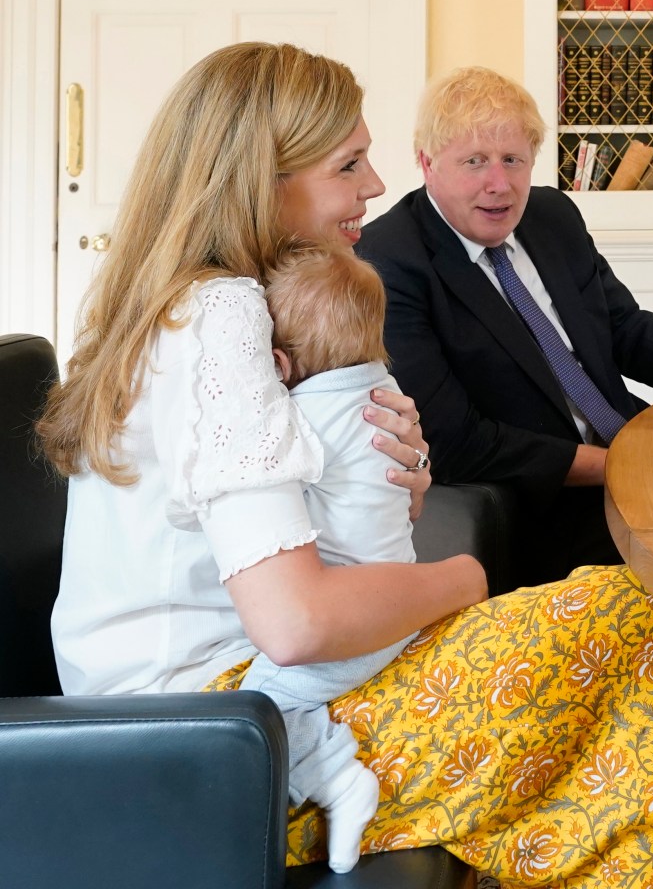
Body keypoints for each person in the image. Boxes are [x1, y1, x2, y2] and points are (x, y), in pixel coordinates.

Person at [37, 43, 653, 886]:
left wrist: (387, 481)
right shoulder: (223, 315)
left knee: (639, 662)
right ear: (262, 178)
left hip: (214, 709)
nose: (372, 185)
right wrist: (464, 579)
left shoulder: (181, 301)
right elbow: (298, 623)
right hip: (220, 737)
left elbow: (254, 554)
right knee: (639, 620)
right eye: (348, 164)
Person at [358, 66, 653, 589]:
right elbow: (458, 440)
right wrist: (621, 464)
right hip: (541, 504)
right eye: (475, 162)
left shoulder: (551, 215)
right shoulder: (387, 261)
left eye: (513, 161)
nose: (499, 186)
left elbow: (627, 332)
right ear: (426, 163)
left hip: (634, 454)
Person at [242, 244, 420, 873]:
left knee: (262, 702)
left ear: (279, 362)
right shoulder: (388, 393)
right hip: (395, 603)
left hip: (350, 621)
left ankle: (337, 781)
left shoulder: (300, 420)